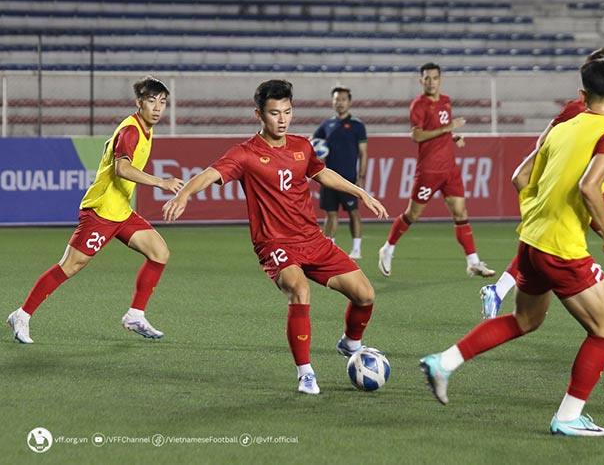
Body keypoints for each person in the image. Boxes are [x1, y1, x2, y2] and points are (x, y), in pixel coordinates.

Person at [420, 49, 604, 436]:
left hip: (531, 242)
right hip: (562, 249)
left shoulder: (563, 128)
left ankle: (444, 362)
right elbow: (588, 187)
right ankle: (568, 416)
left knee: (525, 320)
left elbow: (520, 177)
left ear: (582, 96)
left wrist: (544, 216)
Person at [161, 79, 388, 395]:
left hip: (313, 239)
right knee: (300, 289)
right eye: (274, 113)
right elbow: (209, 174)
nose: (282, 119)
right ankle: (305, 373)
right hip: (275, 243)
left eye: (287, 112)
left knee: (365, 296)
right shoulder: (245, 154)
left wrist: (360, 192)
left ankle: (351, 343)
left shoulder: (301, 146)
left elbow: (321, 173)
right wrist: (184, 194)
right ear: (259, 114)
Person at [7, 76, 184, 344]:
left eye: (162, 102)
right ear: (139, 103)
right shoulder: (132, 130)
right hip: (101, 211)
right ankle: (22, 314)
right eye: (151, 102)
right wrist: (161, 181)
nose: (158, 108)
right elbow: (121, 168)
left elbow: (110, 152)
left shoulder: (144, 129)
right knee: (70, 266)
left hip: (120, 211)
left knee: (159, 253)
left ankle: (135, 315)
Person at [480, 75, 604, 330]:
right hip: (578, 188)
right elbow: (543, 141)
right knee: (575, 242)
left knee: (547, 240)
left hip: (593, 187)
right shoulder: (577, 109)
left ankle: (497, 290)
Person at [378, 62, 494, 278]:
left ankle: (473, 262)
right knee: (413, 214)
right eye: (427, 78)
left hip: (450, 169)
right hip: (429, 171)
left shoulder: (446, 101)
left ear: (440, 79)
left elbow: (439, 131)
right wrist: (448, 129)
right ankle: (388, 248)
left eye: (434, 77)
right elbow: (417, 136)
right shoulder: (418, 105)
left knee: (461, 213)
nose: (431, 82)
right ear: (421, 81)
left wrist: (452, 136)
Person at [312, 85, 368, 259]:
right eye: (336, 99)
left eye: (343, 99)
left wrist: (361, 177)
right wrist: (315, 145)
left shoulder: (357, 125)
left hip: (349, 178)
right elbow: (312, 142)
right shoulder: (327, 125)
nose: (340, 103)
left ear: (349, 102)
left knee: (353, 212)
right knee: (331, 213)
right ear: (332, 102)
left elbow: (363, 153)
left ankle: (356, 249)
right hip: (328, 177)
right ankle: (330, 247)